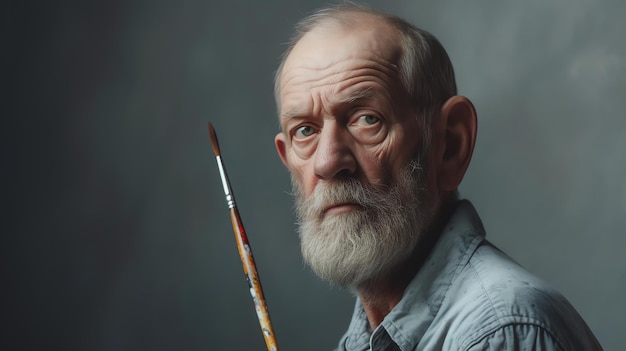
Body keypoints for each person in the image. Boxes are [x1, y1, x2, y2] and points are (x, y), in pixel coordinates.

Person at [272, 3, 602, 350]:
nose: (327, 162)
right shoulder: (364, 338)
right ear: (287, 158)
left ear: (450, 145)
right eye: (305, 131)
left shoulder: (499, 331)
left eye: (368, 119)